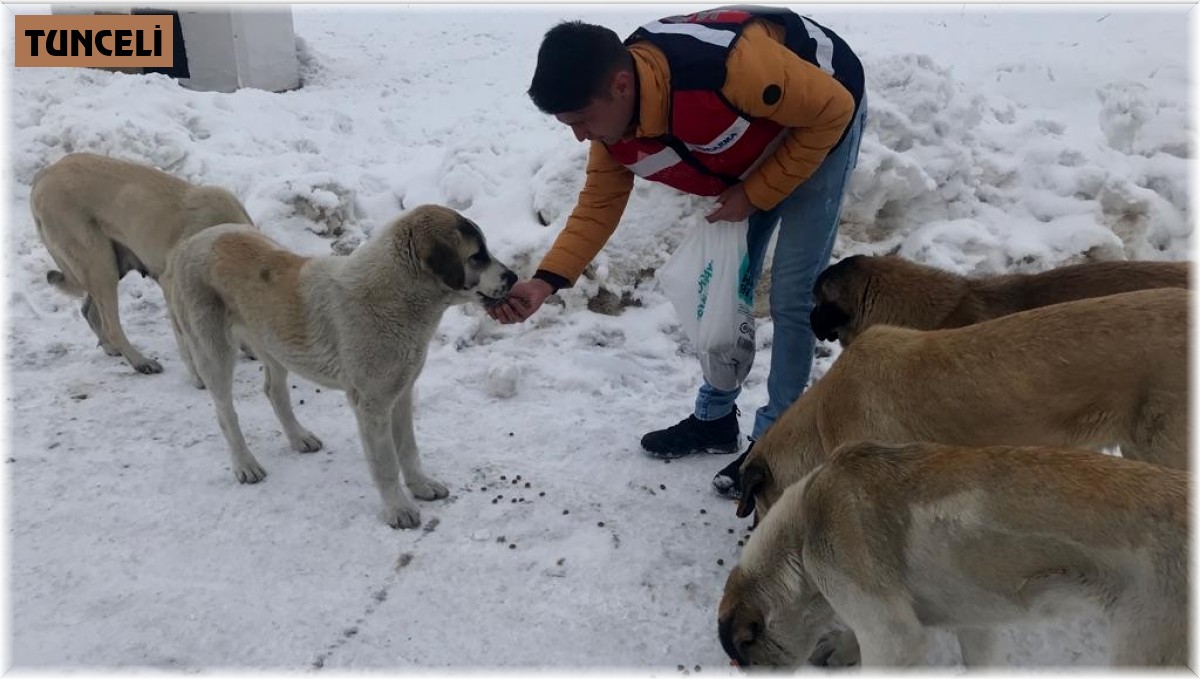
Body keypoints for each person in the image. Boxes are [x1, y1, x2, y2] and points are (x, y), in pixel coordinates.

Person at [489, 6, 867, 498]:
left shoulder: (728, 71)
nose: (580, 136)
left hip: (821, 117)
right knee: (726, 292)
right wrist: (545, 281)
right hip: (756, 132)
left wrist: (754, 194)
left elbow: (831, 110)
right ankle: (714, 420)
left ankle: (776, 445)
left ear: (620, 86)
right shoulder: (616, 127)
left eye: (581, 120)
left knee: (793, 295)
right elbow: (597, 206)